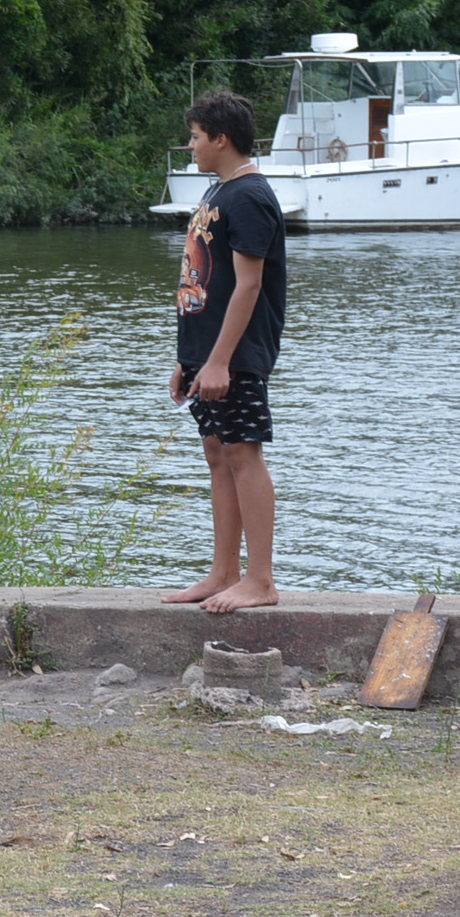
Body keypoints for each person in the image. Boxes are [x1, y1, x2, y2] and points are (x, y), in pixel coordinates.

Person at [164, 90, 287, 613]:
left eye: (195, 136)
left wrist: (218, 360)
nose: (190, 146)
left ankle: (260, 580)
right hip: (206, 352)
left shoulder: (249, 196)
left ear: (220, 138)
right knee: (218, 454)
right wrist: (188, 357)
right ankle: (223, 572)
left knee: (243, 452)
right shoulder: (218, 193)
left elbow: (248, 286)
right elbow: (203, 281)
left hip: (234, 356)